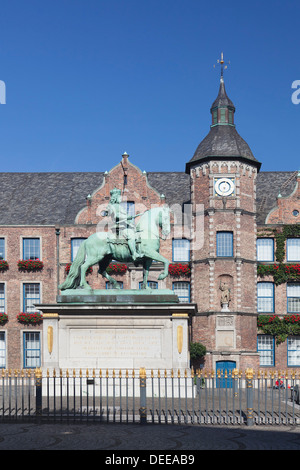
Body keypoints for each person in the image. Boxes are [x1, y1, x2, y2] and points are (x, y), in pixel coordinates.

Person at [105, 188, 140, 261]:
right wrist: (127, 217)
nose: (120, 198)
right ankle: (134, 254)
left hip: (125, 226)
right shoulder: (112, 206)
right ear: (115, 197)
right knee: (131, 235)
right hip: (119, 227)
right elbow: (116, 216)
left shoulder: (120, 206)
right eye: (119, 197)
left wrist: (129, 220)